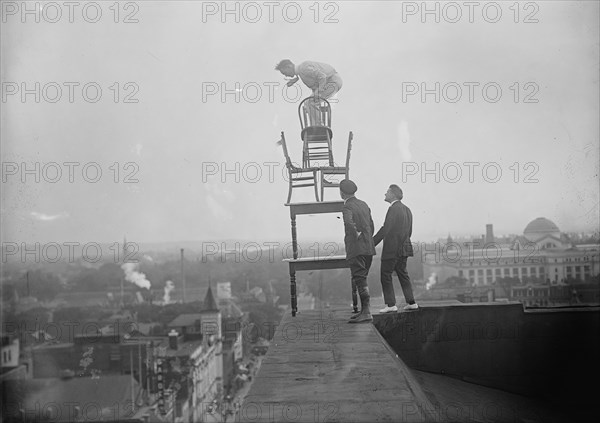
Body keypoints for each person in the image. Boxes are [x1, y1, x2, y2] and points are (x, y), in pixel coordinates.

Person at [373, 184, 419, 313]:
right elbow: (409, 231)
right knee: (403, 275)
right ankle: (411, 302)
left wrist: (371, 243)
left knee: (385, 275)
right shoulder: (407, 209)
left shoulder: (393, 209)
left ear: (393, 194)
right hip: (404, 248)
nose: (385, 194)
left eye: (387, 192)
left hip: (392, 249)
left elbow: (385, 229)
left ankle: (390, 305)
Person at [339, 179, 376, 323]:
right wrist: (366, 239)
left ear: (342, 193)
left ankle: (366, 312)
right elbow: (371, 225)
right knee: (362, 279)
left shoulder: (347, 207)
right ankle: (364, 310)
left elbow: (348, 223)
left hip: (356, 249)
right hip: (368, 248)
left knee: (360, 280)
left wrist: (356, 235)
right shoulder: (364, 204)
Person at [275, 59, 342, 125]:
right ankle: (317, 123)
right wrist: (296, 79)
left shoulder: (304, 68)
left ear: (288, 66)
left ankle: (318, 126)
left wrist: (317, 92)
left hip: (332, 81)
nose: (285, 75)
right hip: (331, 82)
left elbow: (322, 77)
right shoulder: (302, 71)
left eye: (284, 73)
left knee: (310, 102)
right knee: (308, 104)